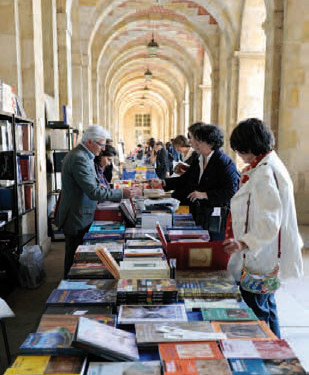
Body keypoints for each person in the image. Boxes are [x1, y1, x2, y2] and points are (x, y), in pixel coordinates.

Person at [223, 118, 303, 338]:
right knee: (267, 306)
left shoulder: (266, 173)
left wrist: (243, 242)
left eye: (240, 150)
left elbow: (270, 220)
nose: (239, 155)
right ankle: (276, 349)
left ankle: (268, 354)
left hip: (261, 256)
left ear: (249, 147)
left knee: (258, 311)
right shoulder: (266, 166)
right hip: (264, 254)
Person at [55, 125, 140, 278]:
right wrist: (121, 193)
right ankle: (70, 284)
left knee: (77, 254)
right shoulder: (79, 158)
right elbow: (93, 192)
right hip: (77, 215)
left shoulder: (84, 155)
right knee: (75, 256)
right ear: (89, 142)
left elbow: (91, 185)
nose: (102, 149)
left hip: (82, 212)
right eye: (101, 145)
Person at [152, 123, 239, 240]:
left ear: (210, 142)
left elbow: (231, 191)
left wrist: (205, 195)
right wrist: (163, 183)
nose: (195, 144)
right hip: (199, 214)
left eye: (199, 140)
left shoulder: (223, 162)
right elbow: (185, 179)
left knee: (212, 247)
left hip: (215, 218)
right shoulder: (200, 159)